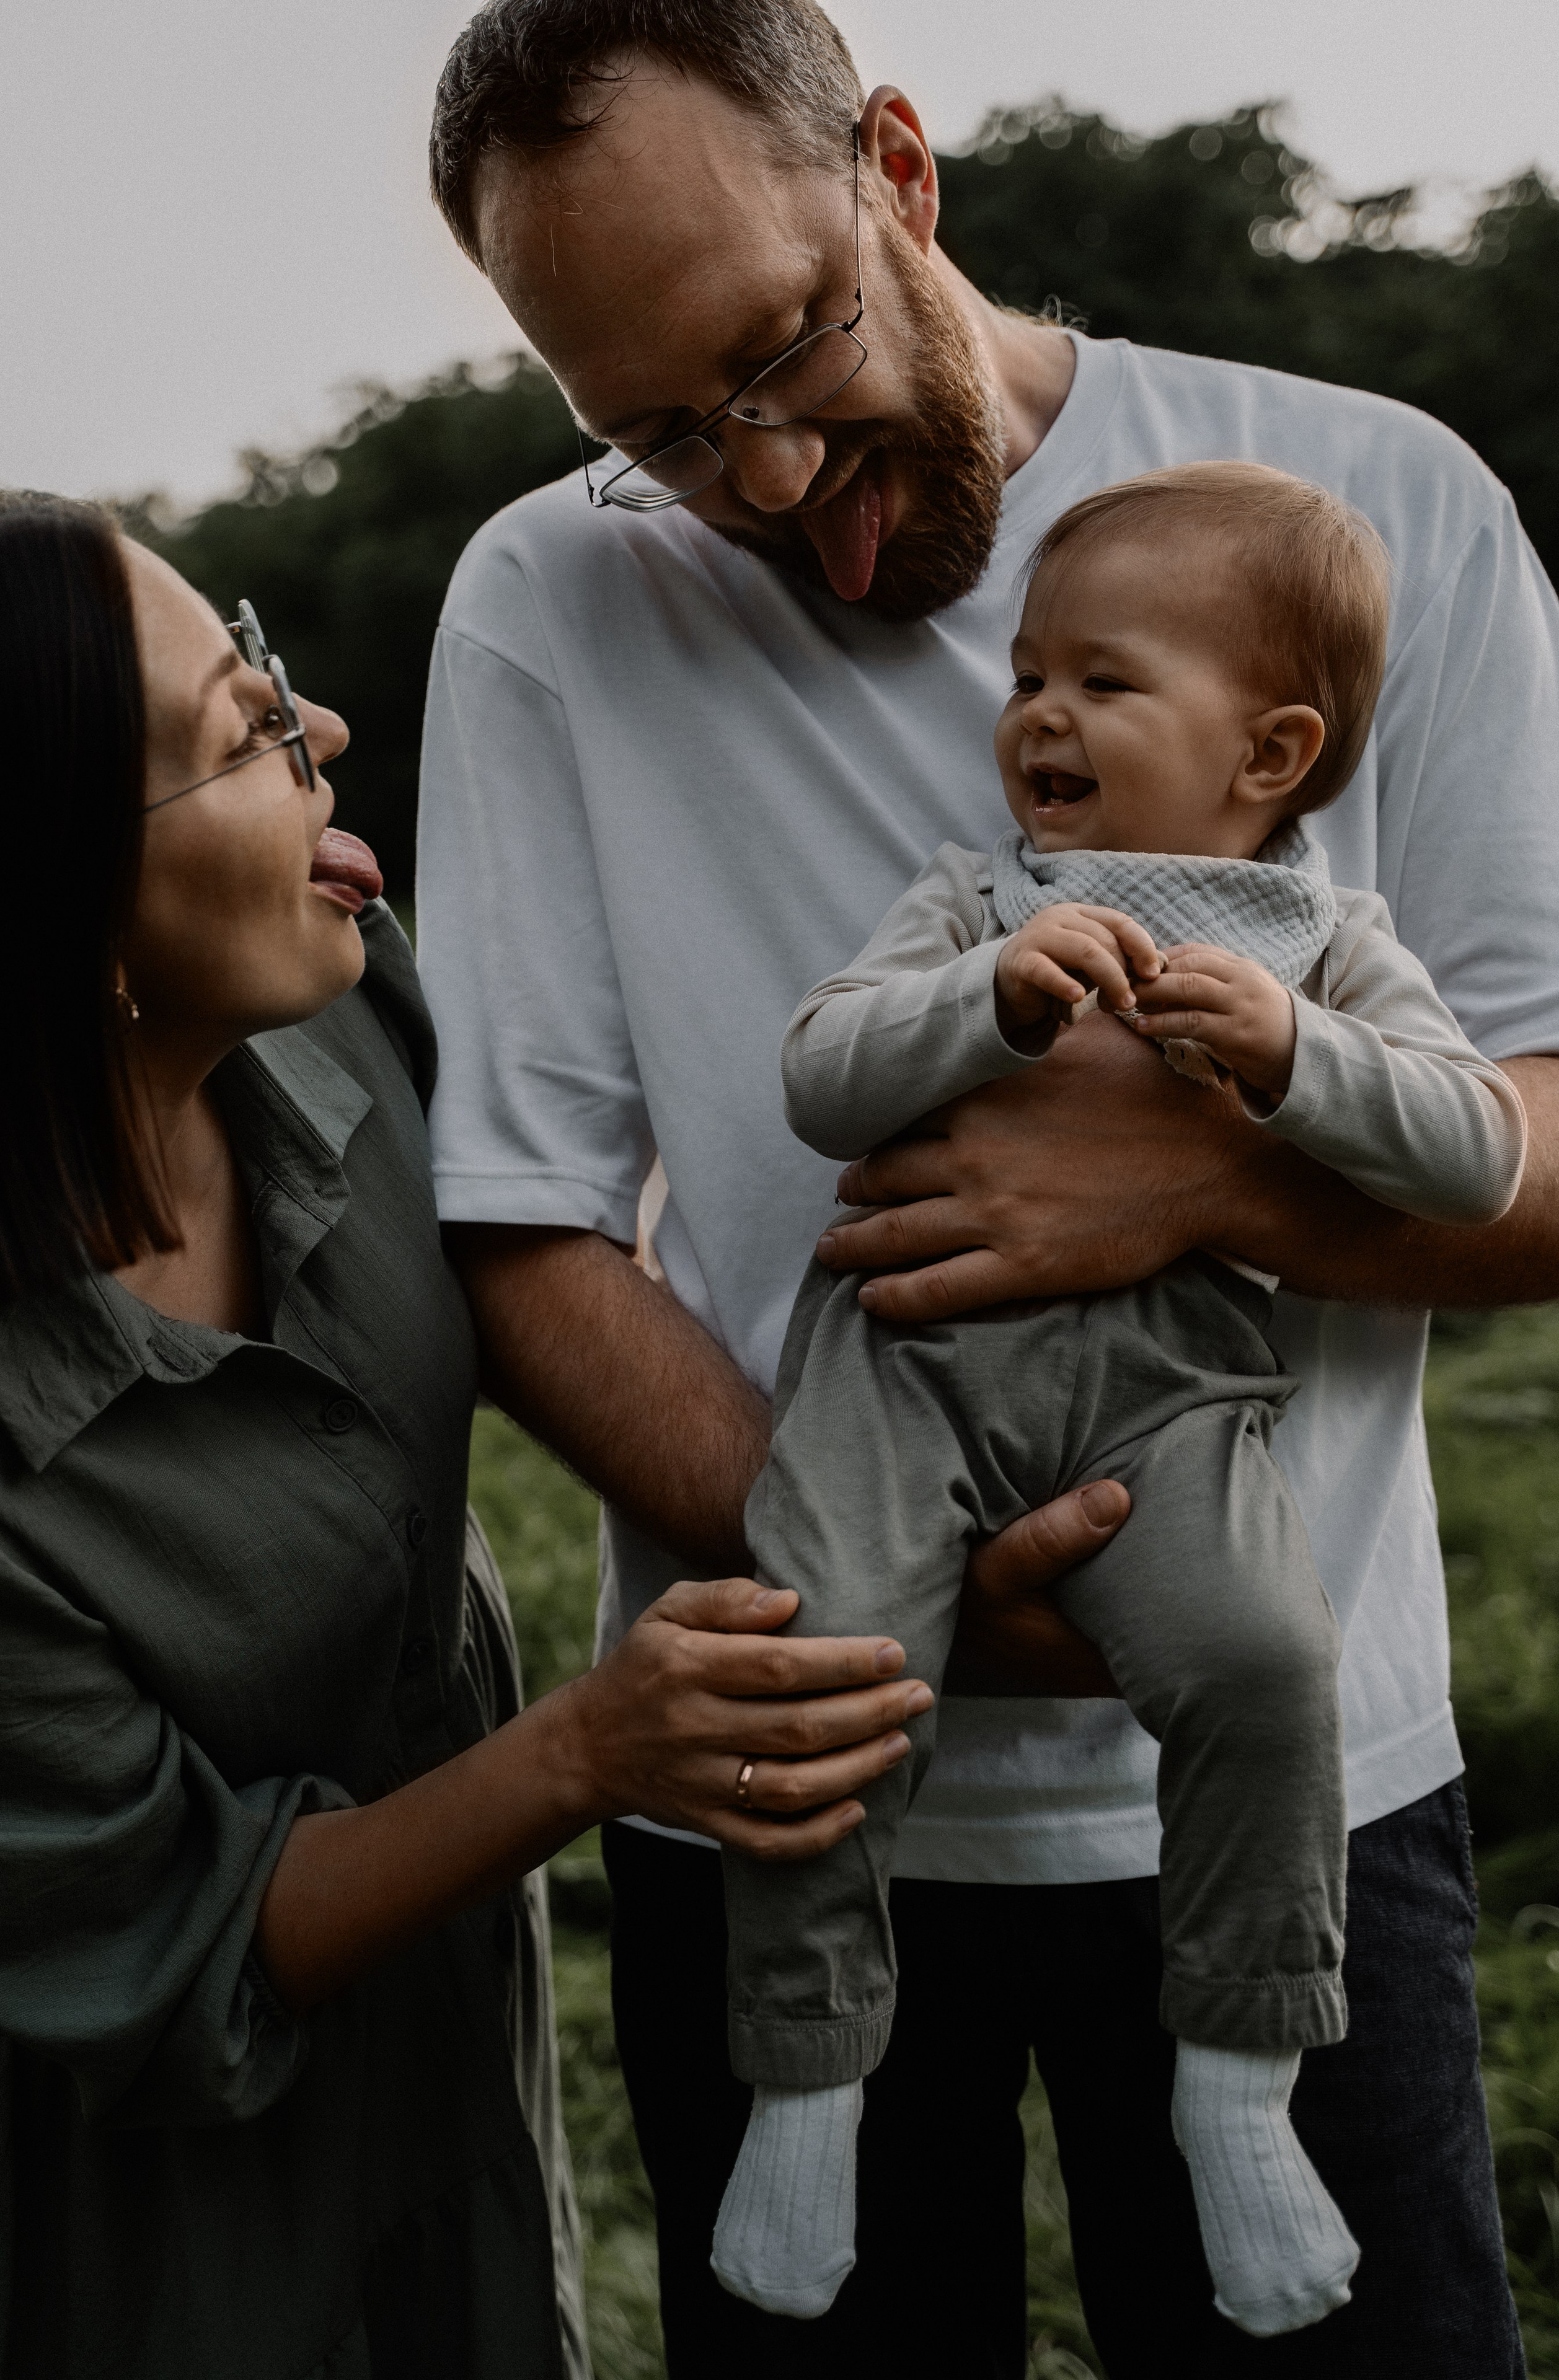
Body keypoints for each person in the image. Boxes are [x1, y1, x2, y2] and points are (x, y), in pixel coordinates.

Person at [417, 5, 1559, 2372]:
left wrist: (1185, 1187)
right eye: (650, 428)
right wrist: (882, 1592)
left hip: (1293, 1772)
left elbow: (1547, 1138)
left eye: (778, 347)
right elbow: (525, 1224)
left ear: (902, 172)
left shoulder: (1376, 504)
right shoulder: (546, 597)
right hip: (789, 1764)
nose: (754, 478)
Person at [0, 485, 1057, 2379]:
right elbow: (173, 1945)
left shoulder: (343, 1021)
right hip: (128, 2201)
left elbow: (588, 1232)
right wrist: (589, 1748)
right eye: (243, 735)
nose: (323, 737)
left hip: (455, 2049)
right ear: (66, 904)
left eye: (272, 677)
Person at [709, 462, 1526, 2338]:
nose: (1039, 716)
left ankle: (1239, 2091)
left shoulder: (1326, 935)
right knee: (816, 1663)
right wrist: (985, 996)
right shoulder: (975, 893)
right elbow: (826, 1075)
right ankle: (809, 2075)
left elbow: (1481, 1156)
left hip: (1170, 1403)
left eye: (1104, 680)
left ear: (1274, 747)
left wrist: (1295, 1056)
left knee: (1261, 1666)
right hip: (900, 1369)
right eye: (1027, 678)